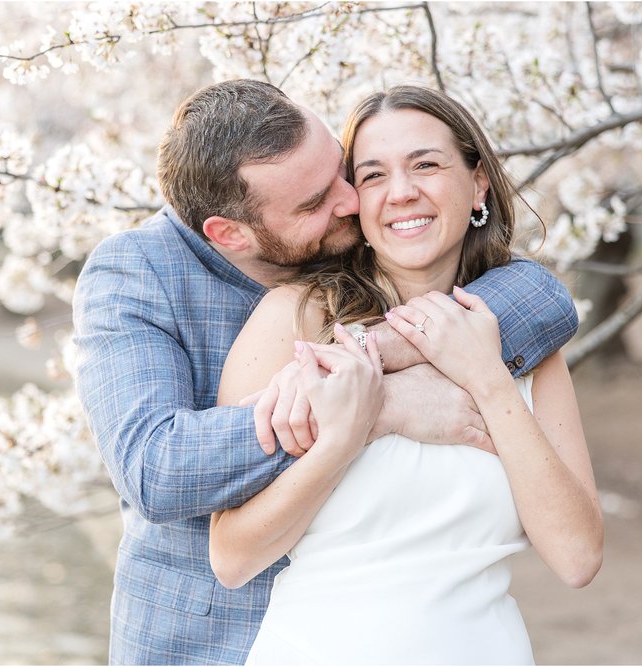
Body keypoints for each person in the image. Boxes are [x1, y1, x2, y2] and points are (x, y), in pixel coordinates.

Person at [72, 79, 580, 665]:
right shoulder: (137, 275)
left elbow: (539, 297)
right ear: (230, 234)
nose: (348, 202)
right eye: (314, 203)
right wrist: (373, 409)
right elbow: (156, 469)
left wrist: (374, 352)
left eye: (342, 174)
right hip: (205, 644)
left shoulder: (353, 242)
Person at [209, 85, 603, 665]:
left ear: (477, 183)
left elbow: (577, 557)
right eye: (372, 176)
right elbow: (232, 559)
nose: (402, 193)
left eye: (426, 165)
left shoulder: (527, 343)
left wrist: (489, 380)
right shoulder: (297, 319)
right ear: (354, 201)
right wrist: (347, 434)